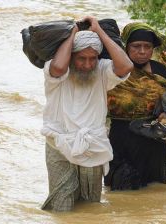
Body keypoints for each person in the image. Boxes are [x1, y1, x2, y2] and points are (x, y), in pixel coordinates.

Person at [40, 16, 133, 212]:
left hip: (93, 145)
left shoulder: (102, 71)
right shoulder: (55, 72)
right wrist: (73, 33)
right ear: (71, 56)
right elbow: (58, 67)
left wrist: (99, 31)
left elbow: (126, 66)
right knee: (61, 206)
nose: (87, 64)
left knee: (91, 206)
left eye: (92, 58)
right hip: (59, 144)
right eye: (81, 58)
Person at [105, 22, 166, 190]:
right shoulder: (112, 70)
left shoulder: (160, 72)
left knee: (154, 193)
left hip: (152, 144)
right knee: (119, 196)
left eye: (147, 47)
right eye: (136, 46)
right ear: (125, 46)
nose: (142, 51)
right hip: (120, 141)